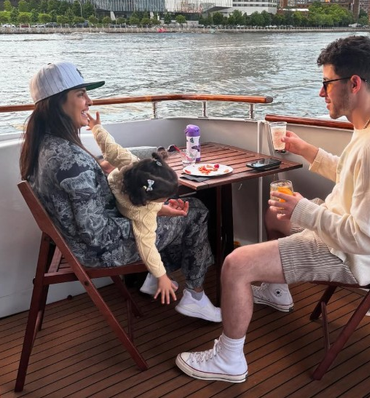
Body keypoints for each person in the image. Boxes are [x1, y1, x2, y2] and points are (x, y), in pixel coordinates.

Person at [175, 35, 370, 382]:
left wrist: (304, 210)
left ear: (354, 83)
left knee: (235, 264)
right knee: (275, 213)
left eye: (327, 83)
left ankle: (229, 359)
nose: (321, 93)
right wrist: (306, 150)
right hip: (344, 231)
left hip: (350, 255)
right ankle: (277, 291)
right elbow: (352, 175)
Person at [19, 61, 221, 323]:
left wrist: (152, 208)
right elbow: (96, 234)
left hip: (72, 242)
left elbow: (87, 201)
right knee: (195, 212)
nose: (89, 101)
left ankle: (155, 275)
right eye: (81, 94)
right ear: (57, 102)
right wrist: (150, 215)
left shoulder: (44, 145)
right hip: (98, 253)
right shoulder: (71, 160)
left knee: (159, 202)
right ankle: (195, 296)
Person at [87, 111, 181, 304]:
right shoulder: (143, 213)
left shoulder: (132, 164)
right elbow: (147, 247)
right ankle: (157, 278)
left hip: (115, 200)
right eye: (162, 199)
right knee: (196, 213)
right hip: (122, 219)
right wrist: (162, 275)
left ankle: (148, 279)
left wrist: (96, 128)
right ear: (148, 199)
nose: (164, 201)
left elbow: (109, 147)